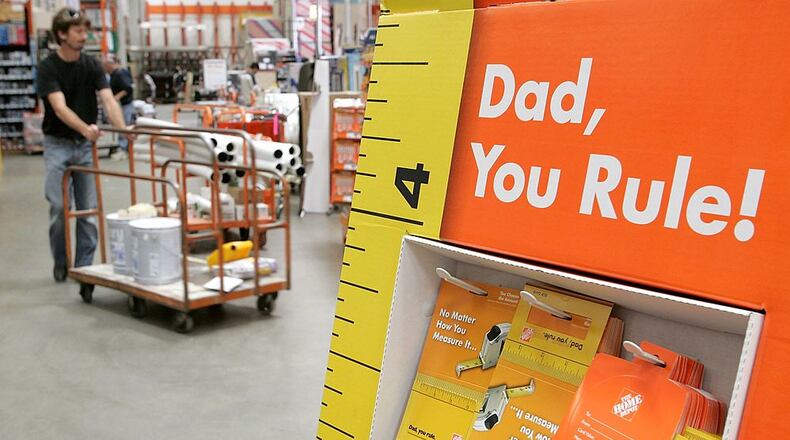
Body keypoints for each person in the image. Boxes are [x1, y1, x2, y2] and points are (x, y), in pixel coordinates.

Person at [37, 8, 128, 297]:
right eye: (78, 31)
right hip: (58, 145)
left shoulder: (91, 65)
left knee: (88, 212)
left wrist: (123, 130)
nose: (84, 35)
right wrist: (85, 129)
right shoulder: (48, 68)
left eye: (85, 30)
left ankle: (84, 270)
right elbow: (59, 107)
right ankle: (61, 261)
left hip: (85, 148)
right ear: (62, 34)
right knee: (59, 209)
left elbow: (108, 99)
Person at [102, 55, 134, 160]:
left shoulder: (120, 73)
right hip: (121, 104)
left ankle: (124, 149)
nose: (104, 68)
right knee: (121, 126)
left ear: (111, 64)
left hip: (125, 105)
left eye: (105, 65)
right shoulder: (114, 74)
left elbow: (128, 88)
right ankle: (124, 148)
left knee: (123, 126)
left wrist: (115, 98)